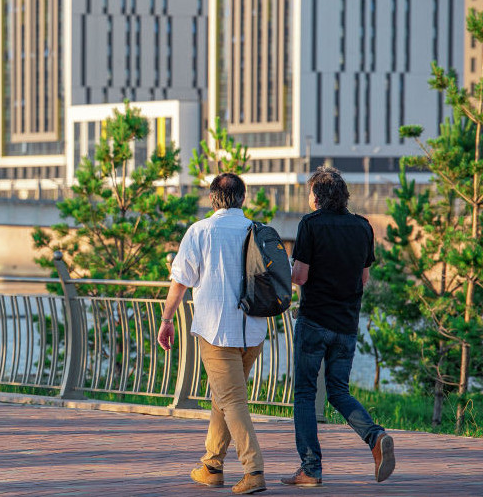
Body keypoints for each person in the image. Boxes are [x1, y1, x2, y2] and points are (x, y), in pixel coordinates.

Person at [281, 167, 395, 486]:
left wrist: (280, 272)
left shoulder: (310, 224)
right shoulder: (362, 226)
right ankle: (375, 437)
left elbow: (300, 276)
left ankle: (310, 468)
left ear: (316, 196)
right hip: (346, 323)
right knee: (338, 391)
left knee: (305, 392)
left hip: (315, 320)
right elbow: (364, 278)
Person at [157, 173, 268, 495]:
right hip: (254, 329)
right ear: (242, 198)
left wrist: (167, 319)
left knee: (231, 399)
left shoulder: (201, 231)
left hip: (217, 330)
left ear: (211, 198)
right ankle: (211, 466)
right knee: (225, 397)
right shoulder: (257, 230)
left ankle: (254, 470)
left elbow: (181, 281)